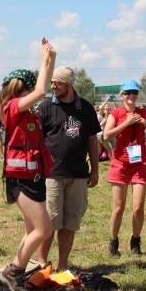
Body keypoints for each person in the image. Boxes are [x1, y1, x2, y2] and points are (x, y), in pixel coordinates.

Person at [0, 38, 56, 291]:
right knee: (44, 230)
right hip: (21, 180)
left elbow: (43, 89)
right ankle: (14, 270)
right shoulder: (11, 108)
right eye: (29, 90)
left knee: (33, 230)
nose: (34, 94)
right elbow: (42, 91)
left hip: (33, 177)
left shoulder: (27, 113)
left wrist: (50, 60)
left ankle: (15, 273)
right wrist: (43, 61)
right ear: (21, 90)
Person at [36, 66, 100, 272]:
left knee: (70, 222)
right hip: (52, 174)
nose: (53, 86)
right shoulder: (45, 107)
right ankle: (42, 262)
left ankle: (63, 264)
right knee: (49, 222)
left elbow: (92, 140)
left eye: (58, 83)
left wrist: (95, 170)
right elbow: (36, 139)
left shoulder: (86, 108)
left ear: (70, 84)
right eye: (52, 82)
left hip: (79, 174)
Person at [103, 80, 146, 258]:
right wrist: (127, 122)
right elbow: (106, 135)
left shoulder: (144, 112)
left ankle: (135, 241)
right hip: (120, 163)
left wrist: (144, 123)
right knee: (119, 207)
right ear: (122, 95)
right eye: (128, 92)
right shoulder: (115, 113)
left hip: (140, 163)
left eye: (135, 92)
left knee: (138, 208)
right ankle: (113, 241)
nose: (132, 95)